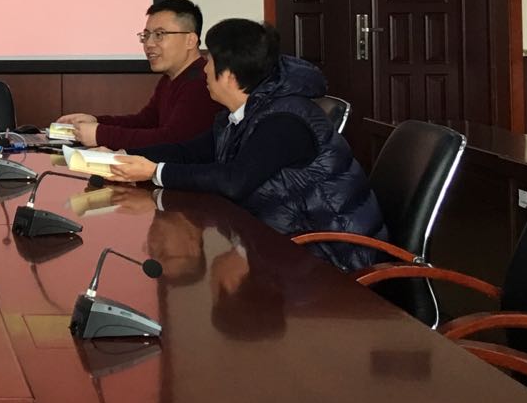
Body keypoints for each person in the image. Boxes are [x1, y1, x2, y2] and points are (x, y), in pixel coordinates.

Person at [103, 18, 386, 272]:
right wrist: (120, 156)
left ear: (228, 75)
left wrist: (154, 172)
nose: (204, 70)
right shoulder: (241, 115)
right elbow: (189, 151)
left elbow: (234, 180)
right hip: (284, 244)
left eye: (209, 61)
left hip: (335, 258)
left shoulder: (284, 122)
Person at [57, 0, 221, 149]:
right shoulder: (171, 78)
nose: (149, 44)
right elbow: (145, 122)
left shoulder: (202, 83)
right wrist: (96, 121)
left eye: (159, 35)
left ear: (190, 40)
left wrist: (101, 134)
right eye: (146, 35)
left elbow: (172, 141)